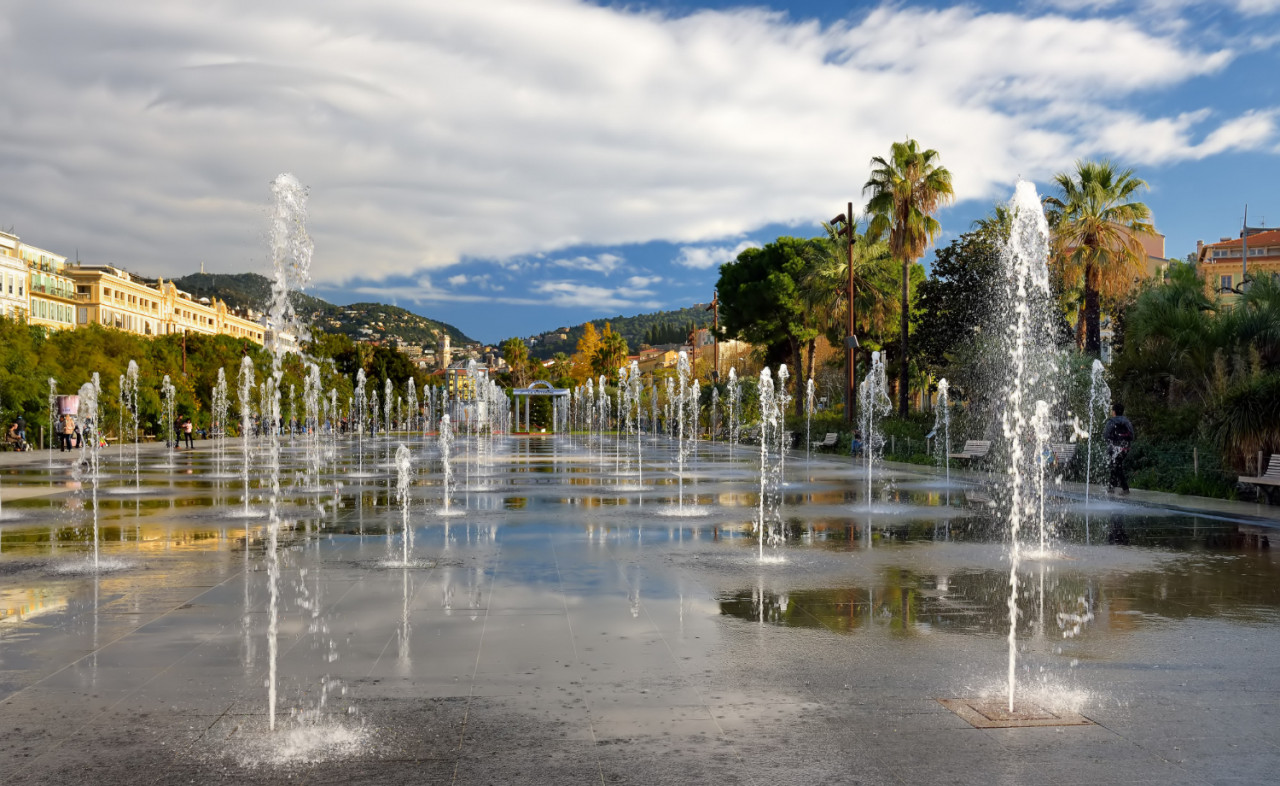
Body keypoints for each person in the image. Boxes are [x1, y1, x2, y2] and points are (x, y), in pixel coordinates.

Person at [1103, 402, 1135, 495]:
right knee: (1116, 465)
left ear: (1114, 412)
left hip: (1114, 448)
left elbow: (1106, 435)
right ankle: (1111, 487)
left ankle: (1125, 489)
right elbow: (1132, 436)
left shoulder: (1112, 421)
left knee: (1117, 466)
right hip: (1125, 448)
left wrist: (1111, 442)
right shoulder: (1126, 421)